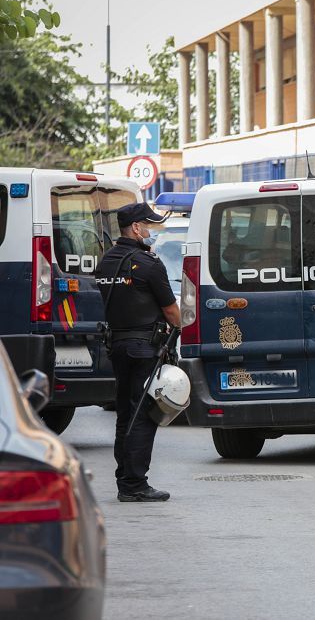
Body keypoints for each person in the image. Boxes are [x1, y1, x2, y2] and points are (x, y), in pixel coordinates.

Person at [96, 203, 180, 502]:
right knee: (143, 414)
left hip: (117, 346)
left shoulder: (106, 262)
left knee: (125, 414)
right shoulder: (148, 264)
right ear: (135, 228)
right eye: (148, 225)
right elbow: (172, 311)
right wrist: (179, 324)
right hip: (145, 349)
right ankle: (135, 484)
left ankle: (124, 479)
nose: (151, 231)